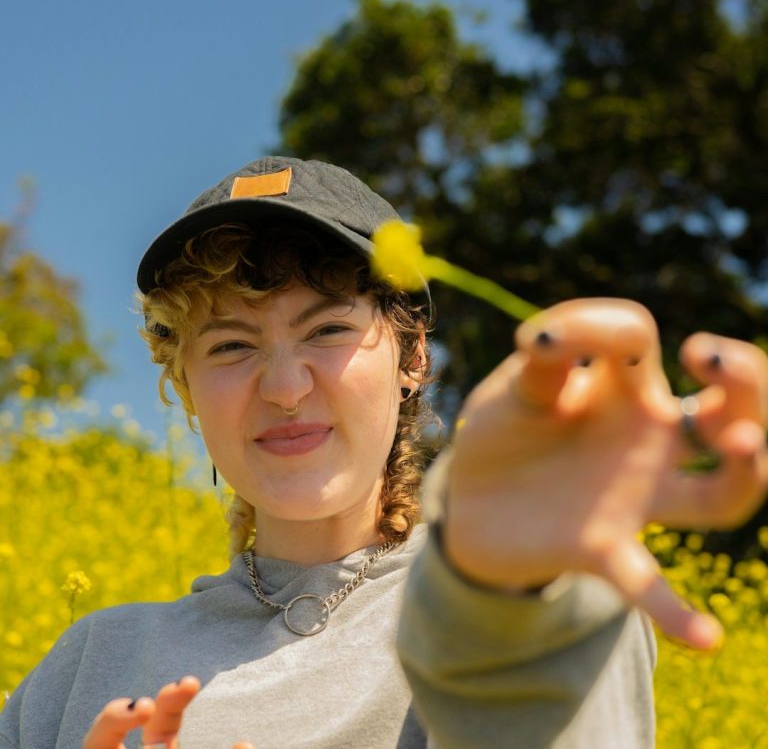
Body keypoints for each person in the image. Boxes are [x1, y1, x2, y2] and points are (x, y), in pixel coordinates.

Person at [0, 156, 766, 749]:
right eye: (231, 345)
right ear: (185, 387)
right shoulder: (82, 669)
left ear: (413, 357)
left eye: (328, 330)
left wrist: (512, 591)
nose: (286, 387)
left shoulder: (513, 593)